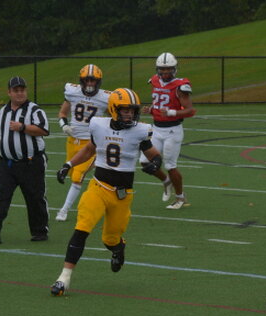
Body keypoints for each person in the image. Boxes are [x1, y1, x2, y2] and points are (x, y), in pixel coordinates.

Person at [51, 88, 162, 296]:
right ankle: (63, 278)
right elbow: (89, 150)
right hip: (99, 187)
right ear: (113, 109)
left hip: (122, 194)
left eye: (132, 111)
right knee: (82, 228)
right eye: (125, 110)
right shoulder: (99, 125)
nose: (130, 114)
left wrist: (155, 164)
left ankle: (118, 248)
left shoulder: (140, 131)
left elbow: (154, 155)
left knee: (110, 239)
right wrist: (68, 164)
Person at [0, 76, 50, 244]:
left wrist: (22, 127)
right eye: (16, 90)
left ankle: (39, 231)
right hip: (6, 163)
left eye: (22, 90)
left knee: (35, 198)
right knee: (1, 196)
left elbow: (43, 130)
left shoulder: (34, 110)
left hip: (30, 162)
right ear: (9, 92)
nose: (19, 93)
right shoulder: (3, 112)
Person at [138, 52, 196, 210]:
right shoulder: (154, 81)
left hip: (172, 130)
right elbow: (159, 102)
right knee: (144, 161)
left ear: (174, 69)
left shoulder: (180, 86)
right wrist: (151, 109)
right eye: (162, 69)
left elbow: (190, 110)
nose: (165, 72)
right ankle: (166, 181)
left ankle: (180, 197)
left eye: (168, 69)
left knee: (170, 165)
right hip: (156, 129)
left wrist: (171, 112)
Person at [55, 64, 112, 222]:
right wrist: (64, 126)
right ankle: (99, 193)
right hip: (72, 141)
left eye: (93, 80)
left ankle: (64, 210)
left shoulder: (105, 98)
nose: (90, 83)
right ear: (81, 80)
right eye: (87, 80)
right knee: (71, 172)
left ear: (98, 81)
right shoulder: (72, 92)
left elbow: (113, 117)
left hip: (90, 144)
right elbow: (62, 112)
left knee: (77, 176)